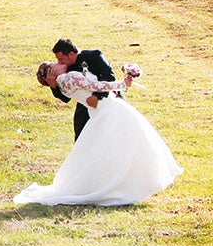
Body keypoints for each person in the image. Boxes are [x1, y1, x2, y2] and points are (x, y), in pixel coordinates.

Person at [14, 62, 181, 206]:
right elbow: (97, 86)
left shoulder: (63, 83)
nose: (58, 62)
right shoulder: (68, 78)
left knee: (117, 145)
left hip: (103, 110)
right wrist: (123, 84)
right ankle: (126, 182)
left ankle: (125, 181)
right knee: (132, 141)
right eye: (54, 63)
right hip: (109, 108)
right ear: (52, 72)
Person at [51, 38, 115, 139]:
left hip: (108, 99)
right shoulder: (66, 69)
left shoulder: (94, 56)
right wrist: (53, 86)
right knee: (82, 135)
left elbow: (109, 77)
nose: (59, 62)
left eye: (61, 59)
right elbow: (66, 98)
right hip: (85, 106)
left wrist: (97, 96)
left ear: (71, 54)